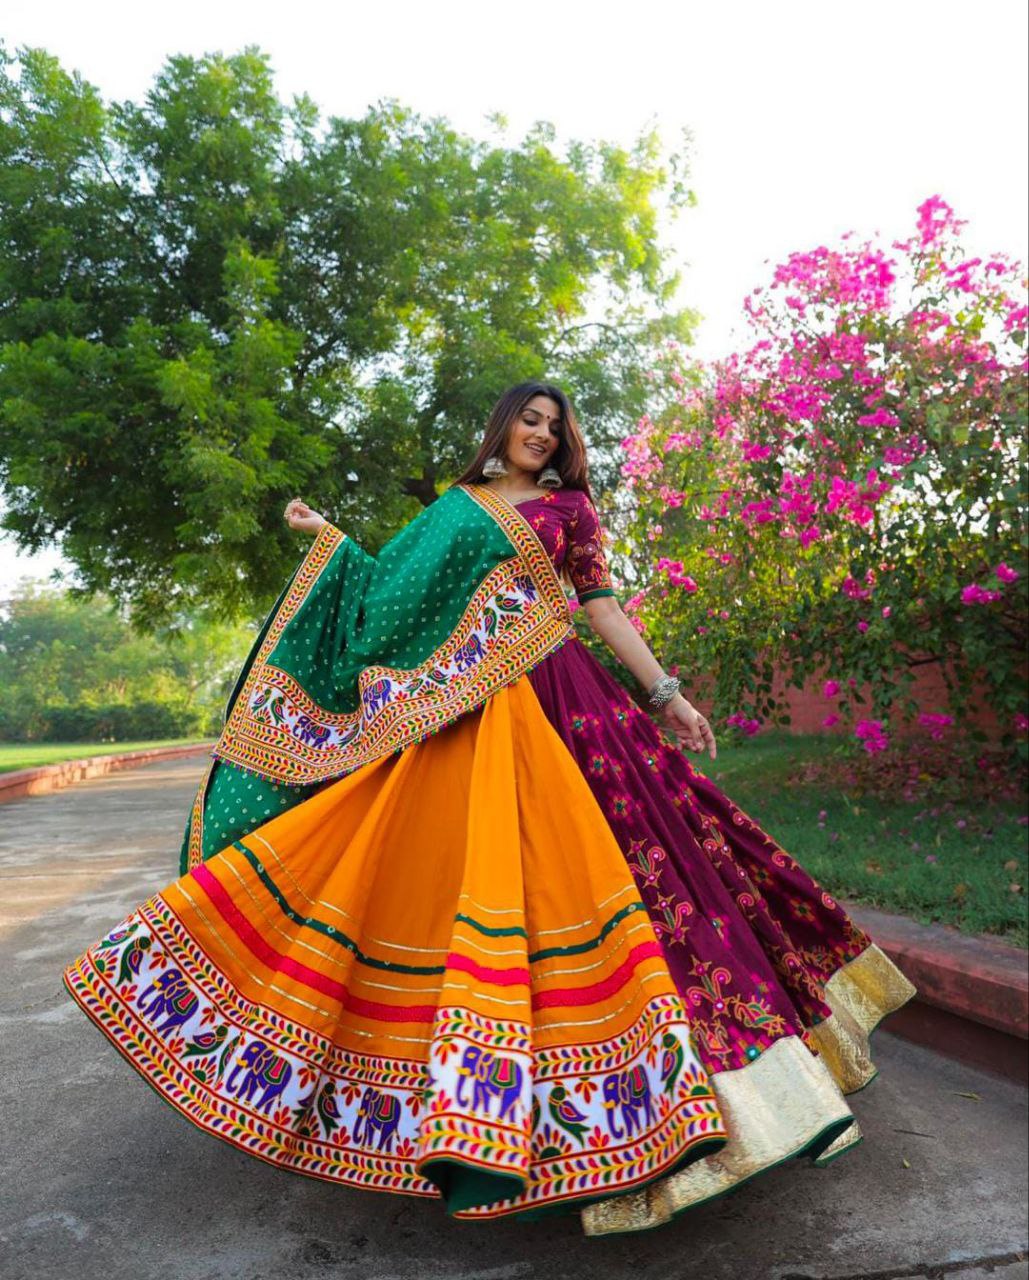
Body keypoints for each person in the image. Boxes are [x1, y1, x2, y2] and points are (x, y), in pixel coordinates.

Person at [63, 380, 915, 1233]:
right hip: (460, 718)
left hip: (567, 709)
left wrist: (664, 694)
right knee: (444, 882)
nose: (541, 435)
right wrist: (328, 541)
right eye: (529, 420)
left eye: (556, 426)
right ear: (501, 426)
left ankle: (703, 1107)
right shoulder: (457, 506)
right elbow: (389, 595)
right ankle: (471, 1104)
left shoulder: (569, 510)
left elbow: (600, 606)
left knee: (641, 871)